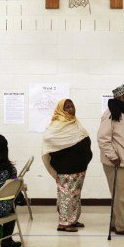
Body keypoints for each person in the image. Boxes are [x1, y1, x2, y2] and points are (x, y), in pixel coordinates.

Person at [42, 99, 92, 232]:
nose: (71, 108)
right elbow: (48, 140)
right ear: (61, 110)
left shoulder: (74, 122)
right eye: (67, 107)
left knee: (75, 195)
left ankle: (72, 219)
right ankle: (64, 223)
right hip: (66, 168)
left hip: (79, 167)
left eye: (72, 105)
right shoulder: (56, 125)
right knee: (66, 195)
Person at [98, 85, 124, 236]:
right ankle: (123, 227)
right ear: (121, 98)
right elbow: (103, 139)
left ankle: (116, 223)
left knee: (118, 194)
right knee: (121, 195)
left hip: (122, 161)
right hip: (115, 162)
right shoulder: (111, 114)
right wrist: (114, 157)